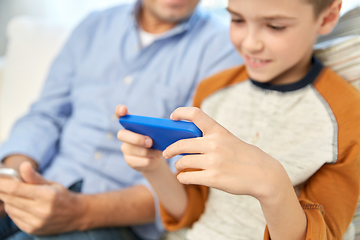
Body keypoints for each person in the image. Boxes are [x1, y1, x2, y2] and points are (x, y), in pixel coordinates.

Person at [0, 0, 243, 239]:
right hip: (42, 181)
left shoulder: (223, 49)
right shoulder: (94, 25)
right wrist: (11, 178)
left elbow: (183, 183)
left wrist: (79, 211)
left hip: (114, 217)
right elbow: (46, 114)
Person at [117, 0, 360, 239]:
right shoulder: (213, 90)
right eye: (237, 20)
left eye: (275, 26)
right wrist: (154, 168)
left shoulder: (348, 114)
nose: (250, 44)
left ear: (327, 18)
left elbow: (324, 234)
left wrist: (274, 187)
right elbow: (192, 210)